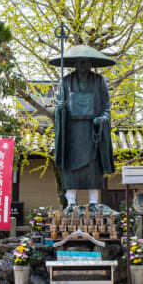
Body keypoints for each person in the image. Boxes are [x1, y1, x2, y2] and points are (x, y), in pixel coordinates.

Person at [49, 45, 115, 208]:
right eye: (80, 63)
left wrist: (103, 118)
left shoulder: (99, 81)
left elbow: (106, 106)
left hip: (93, 132)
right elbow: (58, 104)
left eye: (86, 62)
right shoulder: (65, 82)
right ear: (74, 64)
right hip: (72, 133)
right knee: (70, 166)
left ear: (91, 64)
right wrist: (61, 108)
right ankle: (71, 201)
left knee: (94, 167)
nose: (83, 66)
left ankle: (93, 201)